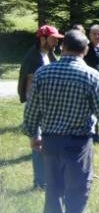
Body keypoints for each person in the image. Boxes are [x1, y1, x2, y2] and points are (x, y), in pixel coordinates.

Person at [22, 29, 99, 213]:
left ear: (63, 47)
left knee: (53, 191)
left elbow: (32, 109)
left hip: (50, 145)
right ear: (85, 50)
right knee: (77, 193)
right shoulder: (91, 76)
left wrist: (34, 135)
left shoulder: (43, 73)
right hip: (78, 147)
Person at [18, 25, 63, 190]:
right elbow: (30, 91)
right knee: (37, 145)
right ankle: (39, 183)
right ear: (43, 39)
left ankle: (48, 179)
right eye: (53, 38)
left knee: (48, 144)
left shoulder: (49, 55)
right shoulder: (33, 59)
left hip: (49, 108)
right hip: (37, 109)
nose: (56, 41)